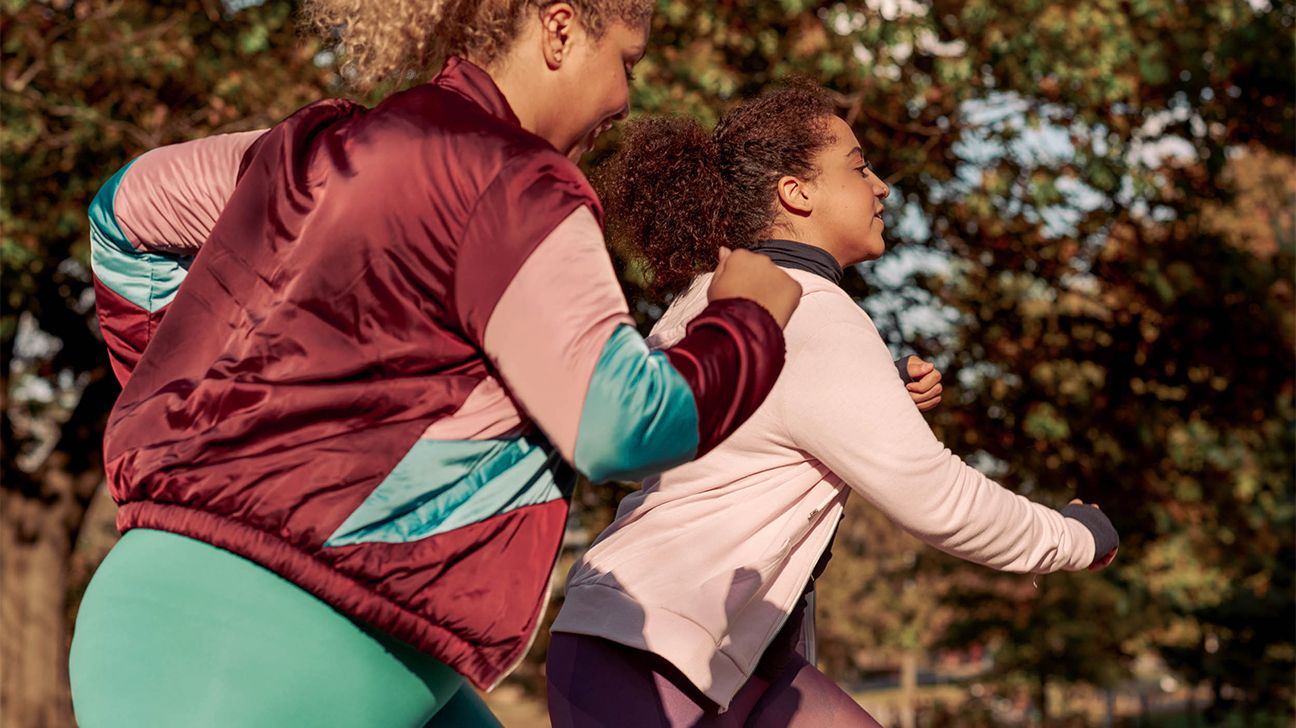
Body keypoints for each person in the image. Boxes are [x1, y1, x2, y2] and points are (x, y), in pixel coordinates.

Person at [69, 3, 805, 726]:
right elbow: (621, 423)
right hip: (278, 645)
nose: (624, 98)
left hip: (185, 609)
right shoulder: (517, 181)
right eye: (625, 62)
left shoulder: (317, 145)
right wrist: (745, 317)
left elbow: (124, 219)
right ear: (559, 27)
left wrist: (191, 412)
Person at [546, 80, 1120, 727]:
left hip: (702, 656)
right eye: (858, 166)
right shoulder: (813, 311)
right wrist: (1075, 538)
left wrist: (875, 385)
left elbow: (700, 441)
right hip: (649, 660)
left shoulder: (717, 297)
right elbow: (937, 498)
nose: (882, 187)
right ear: (796, 192)